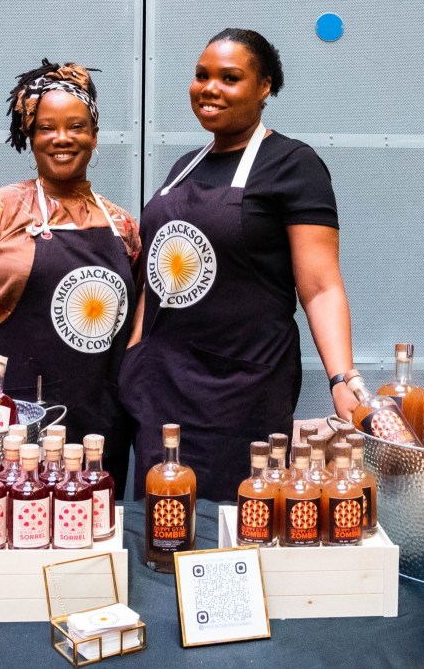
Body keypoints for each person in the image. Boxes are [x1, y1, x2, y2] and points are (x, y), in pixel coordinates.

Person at [119, 29, 354, 502]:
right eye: (201, 75)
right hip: (160, 388)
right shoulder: (185, 166)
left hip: (241, 391)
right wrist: (134, 356)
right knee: (163, 524)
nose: (210, 88)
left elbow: (321, 287)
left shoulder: (292, 164)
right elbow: (156, 276)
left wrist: (343, 379)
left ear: (265, 86)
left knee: (235, 523)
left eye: (229, 78)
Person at [0, 59, 141, 491]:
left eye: (76, 126)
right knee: (1, 516)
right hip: (3, 421)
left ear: (94, 134)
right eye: (47, 128)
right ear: (29, 135)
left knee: (88, 520)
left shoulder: (123, 226)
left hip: (97, 423)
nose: (62, 138)